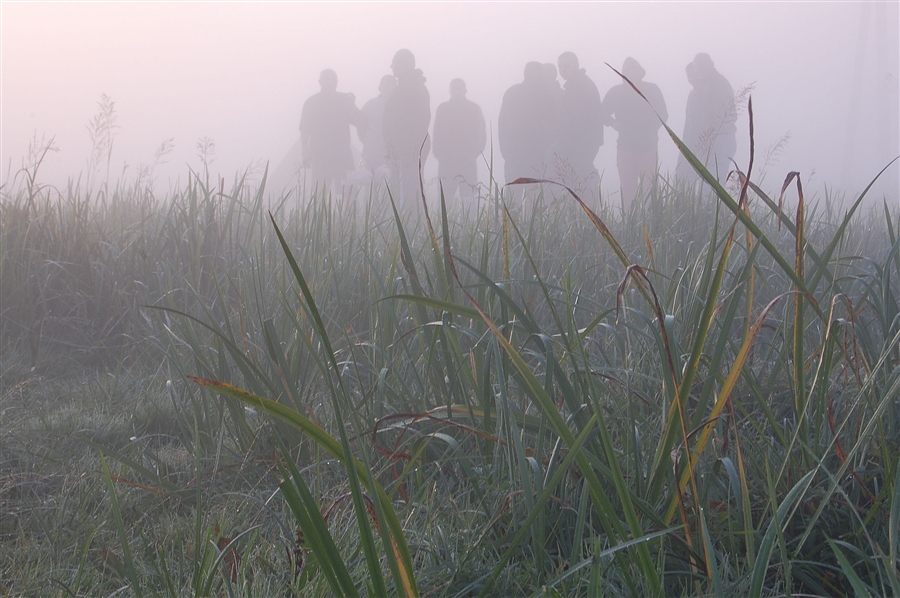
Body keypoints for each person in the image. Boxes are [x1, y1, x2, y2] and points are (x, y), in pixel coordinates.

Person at [604, 57, 668, 212]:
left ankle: (651, 225)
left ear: (640, 73)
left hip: (648, 147)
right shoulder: (617, 92)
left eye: (634, 71)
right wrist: (613, 123)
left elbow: (663, 115)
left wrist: (649, 128)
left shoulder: (652, 89)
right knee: (628, 193)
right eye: (627, 72)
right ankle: (629, 226)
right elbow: (602, 112)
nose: (631, 75)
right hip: (626, 148)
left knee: (650, 192)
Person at [676, 53, 737, 182]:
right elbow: (690, 125)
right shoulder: (698, 91)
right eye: (696, 67)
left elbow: (727, 117)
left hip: (717, 146)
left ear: (711, 65)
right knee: (699, 186)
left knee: (711, 187)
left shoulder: (719, 85)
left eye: (702, 65)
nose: (699, 70)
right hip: (702, 145)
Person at [382, 49, 431, 207]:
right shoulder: (410, 87)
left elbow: (417, 120)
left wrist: (400, 143)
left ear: (403, 65)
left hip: (409, 148)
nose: (392, 67)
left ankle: (411, 225)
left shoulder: (410, 88)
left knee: (410, 190)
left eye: (394, 63)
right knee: (410, 188)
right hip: (406, 147)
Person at [299, 69, 361, 192]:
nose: (329, 83)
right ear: (320, 82)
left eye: (332, 80)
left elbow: (358, 121)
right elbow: (304, 130)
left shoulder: (345, 100)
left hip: (342, 156)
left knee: (348, 194)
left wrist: (352, 105)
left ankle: (350, 211)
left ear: (337, 82)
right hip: (321, 156)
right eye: (326, 79)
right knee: (319, 196)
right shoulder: (311, 103)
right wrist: (305, 153)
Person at [498, 61, 557, 183]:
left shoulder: (512, 93)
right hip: (536, 154)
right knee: (533, 196)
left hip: (513, 153)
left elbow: (502, 125)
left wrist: (505, 150)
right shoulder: (545, 96)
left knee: (512, 197)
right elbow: (553, 124)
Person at [553, 52, 605, 190]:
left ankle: (587, 205)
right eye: (560, 67)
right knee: (578, 177)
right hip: (583, 141)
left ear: (576, 65)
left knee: (580, 178)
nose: (563, 70)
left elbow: (575, 117)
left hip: (581, 142)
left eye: (566, 66)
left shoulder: (580, 86)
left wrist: (563, 137)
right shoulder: (577, 84)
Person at [431, 79, 486, 201]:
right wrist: (440, 154)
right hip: (448, 162)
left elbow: (481, 135)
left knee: (468, 199)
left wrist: (474, 153)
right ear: (450, 90)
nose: (457, 91)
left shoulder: (473, 109)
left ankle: (469, 221)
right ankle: (446, 220)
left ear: (464, 90)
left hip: (466, 161)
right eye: (454, 88)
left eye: (459, 88)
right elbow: (437, 134)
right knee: (446, 199)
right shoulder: (443, 109)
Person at [358, 74, 397, 181]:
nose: (390, 88)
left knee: (393, 184)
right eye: (386, 85)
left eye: (392, 85)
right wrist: (369, 142)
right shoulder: (370, 106)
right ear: (380, 88)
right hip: (372, 153)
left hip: (394, 153)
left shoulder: (400, 105)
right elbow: (361, 128)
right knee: (370, 184)